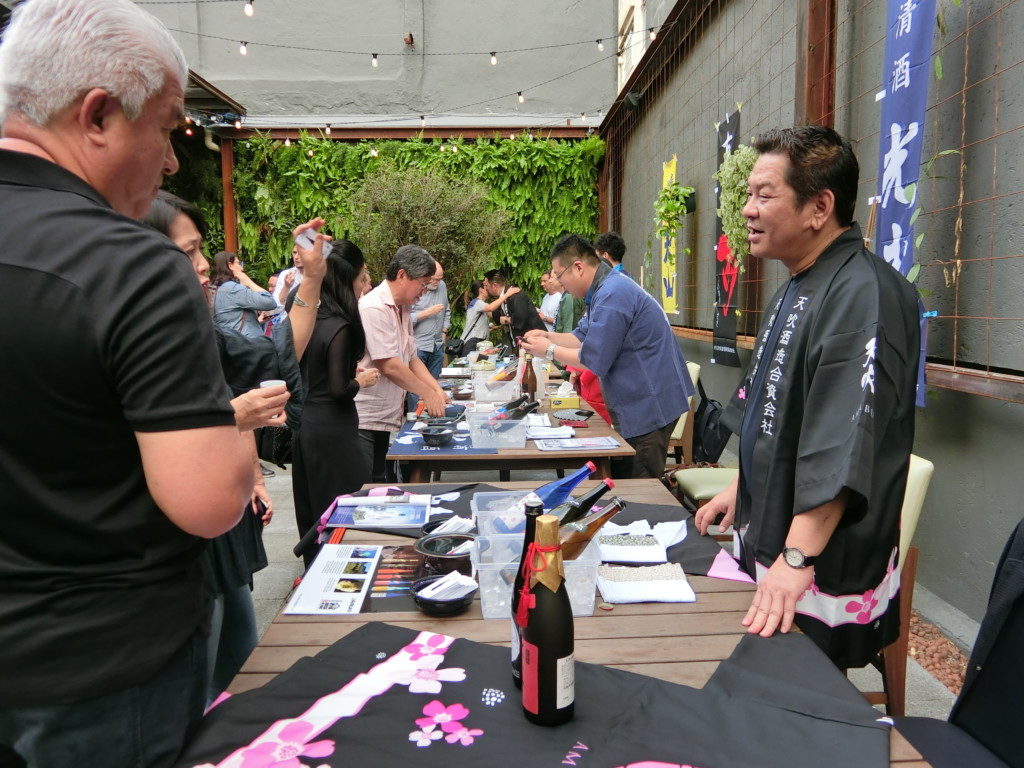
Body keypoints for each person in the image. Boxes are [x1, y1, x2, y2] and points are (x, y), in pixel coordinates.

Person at [0, 1, 254, 765]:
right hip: (99, 668)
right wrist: (234, 435)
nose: (175, 161)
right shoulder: (130, 265)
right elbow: (208, 501)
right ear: (100, 115)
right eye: (171, 127)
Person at [693, 126, 920, 670]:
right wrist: (738, 484)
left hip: (818, 555)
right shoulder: (801, 280)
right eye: (748, 194)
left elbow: (844, 442)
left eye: (763, 195)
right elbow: (771, 410)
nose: (747, 210)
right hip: (773, 525)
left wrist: (796, 558)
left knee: (804, 686)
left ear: (820, 207)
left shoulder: (865, 295)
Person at [142, 190, 290, 705]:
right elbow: (175, 433)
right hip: (188, 528)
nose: (205, 267)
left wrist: (253, 476)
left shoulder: (201, 321)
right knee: (203, 668)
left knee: (238, 649)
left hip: (225, 510)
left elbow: (237, 400)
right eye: (190, 253)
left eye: (202, 250)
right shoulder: (144, 335)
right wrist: (234, 419)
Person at [522, 234, 693, 478]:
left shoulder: (614, 292)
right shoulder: (603, 290)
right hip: (640, 400)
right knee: (625, 475)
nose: (560, 283)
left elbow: (595, 358)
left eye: (559, 276)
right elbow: (581, 336)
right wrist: (548, 337)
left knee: (639, 483)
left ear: (578, 267)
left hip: (649, 403)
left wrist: (548, 350)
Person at [292, 240, 382, 562]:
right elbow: (337, 389)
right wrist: (362, 379)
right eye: (362, 279)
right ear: (347, 281)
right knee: (342, 506)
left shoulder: (309, 317)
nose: (365, 287)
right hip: (332, 428)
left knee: (314, 505)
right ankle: (338, 572)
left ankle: (315, 570)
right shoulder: (339, 326)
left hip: (308, 425)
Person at [355, 245, 448, 482]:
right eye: (423, 283)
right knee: (368, 486)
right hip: (364, 416)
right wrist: (426, 392)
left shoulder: (403, 307)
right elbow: (389, 365)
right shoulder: (375, 306)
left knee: (380, 479)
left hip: (384, 416)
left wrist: (436, 389)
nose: (425, 292)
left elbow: (412, 358)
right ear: (402, 275)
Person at [406, 259, 450, 411]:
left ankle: (434, 415)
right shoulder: (415, 289)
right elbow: (405, 320)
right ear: (427, 276)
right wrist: (425, 313)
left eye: (440, 279)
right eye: (435, 279)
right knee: (416, 387)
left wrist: (444, 330)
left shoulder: (442, 286)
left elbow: (447, 310)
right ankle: (414, 418)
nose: (438, 282)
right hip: (419, 345)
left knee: (435, 384)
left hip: (437, 344)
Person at [210, 250, 279, 338]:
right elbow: (269, 302)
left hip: (229, 342)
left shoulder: (213, 289)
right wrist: (248, 281)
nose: (242, 268)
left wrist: (256, 322)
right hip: (246, 344)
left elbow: (230, 320)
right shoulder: (233, 289)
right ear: (230, 265)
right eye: (238, 264)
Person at [483, 268, 545, 345]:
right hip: (521, 341)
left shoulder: (515, 295)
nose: (485, 289)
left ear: (494, 286)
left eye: (486, 285)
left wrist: (507, 320)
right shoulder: (504, 296)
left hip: (535, 339)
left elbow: (521, 318)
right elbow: (495, 314)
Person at [458, 279, 493, 353]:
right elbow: (490, 308)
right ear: (481, 290)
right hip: (471, 342)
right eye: (486, 287)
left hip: (476, 342)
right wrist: (506, 295)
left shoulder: (480, 305)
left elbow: (493, 315)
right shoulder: (477, 302)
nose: (488, 289)